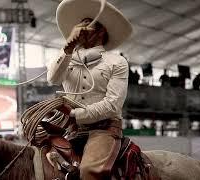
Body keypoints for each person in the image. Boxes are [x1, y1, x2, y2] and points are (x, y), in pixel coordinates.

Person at [47, 0, 132, 179]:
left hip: (104, 130)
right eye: (79, 26)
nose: (79, 29)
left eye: (86, 25)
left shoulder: (117, 62)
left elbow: (112, 105)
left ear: (101, 31)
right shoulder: (66, 57)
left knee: (88, 172)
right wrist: (68, 48)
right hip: (70, 130)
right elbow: (53, 79)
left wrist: (74, 115)